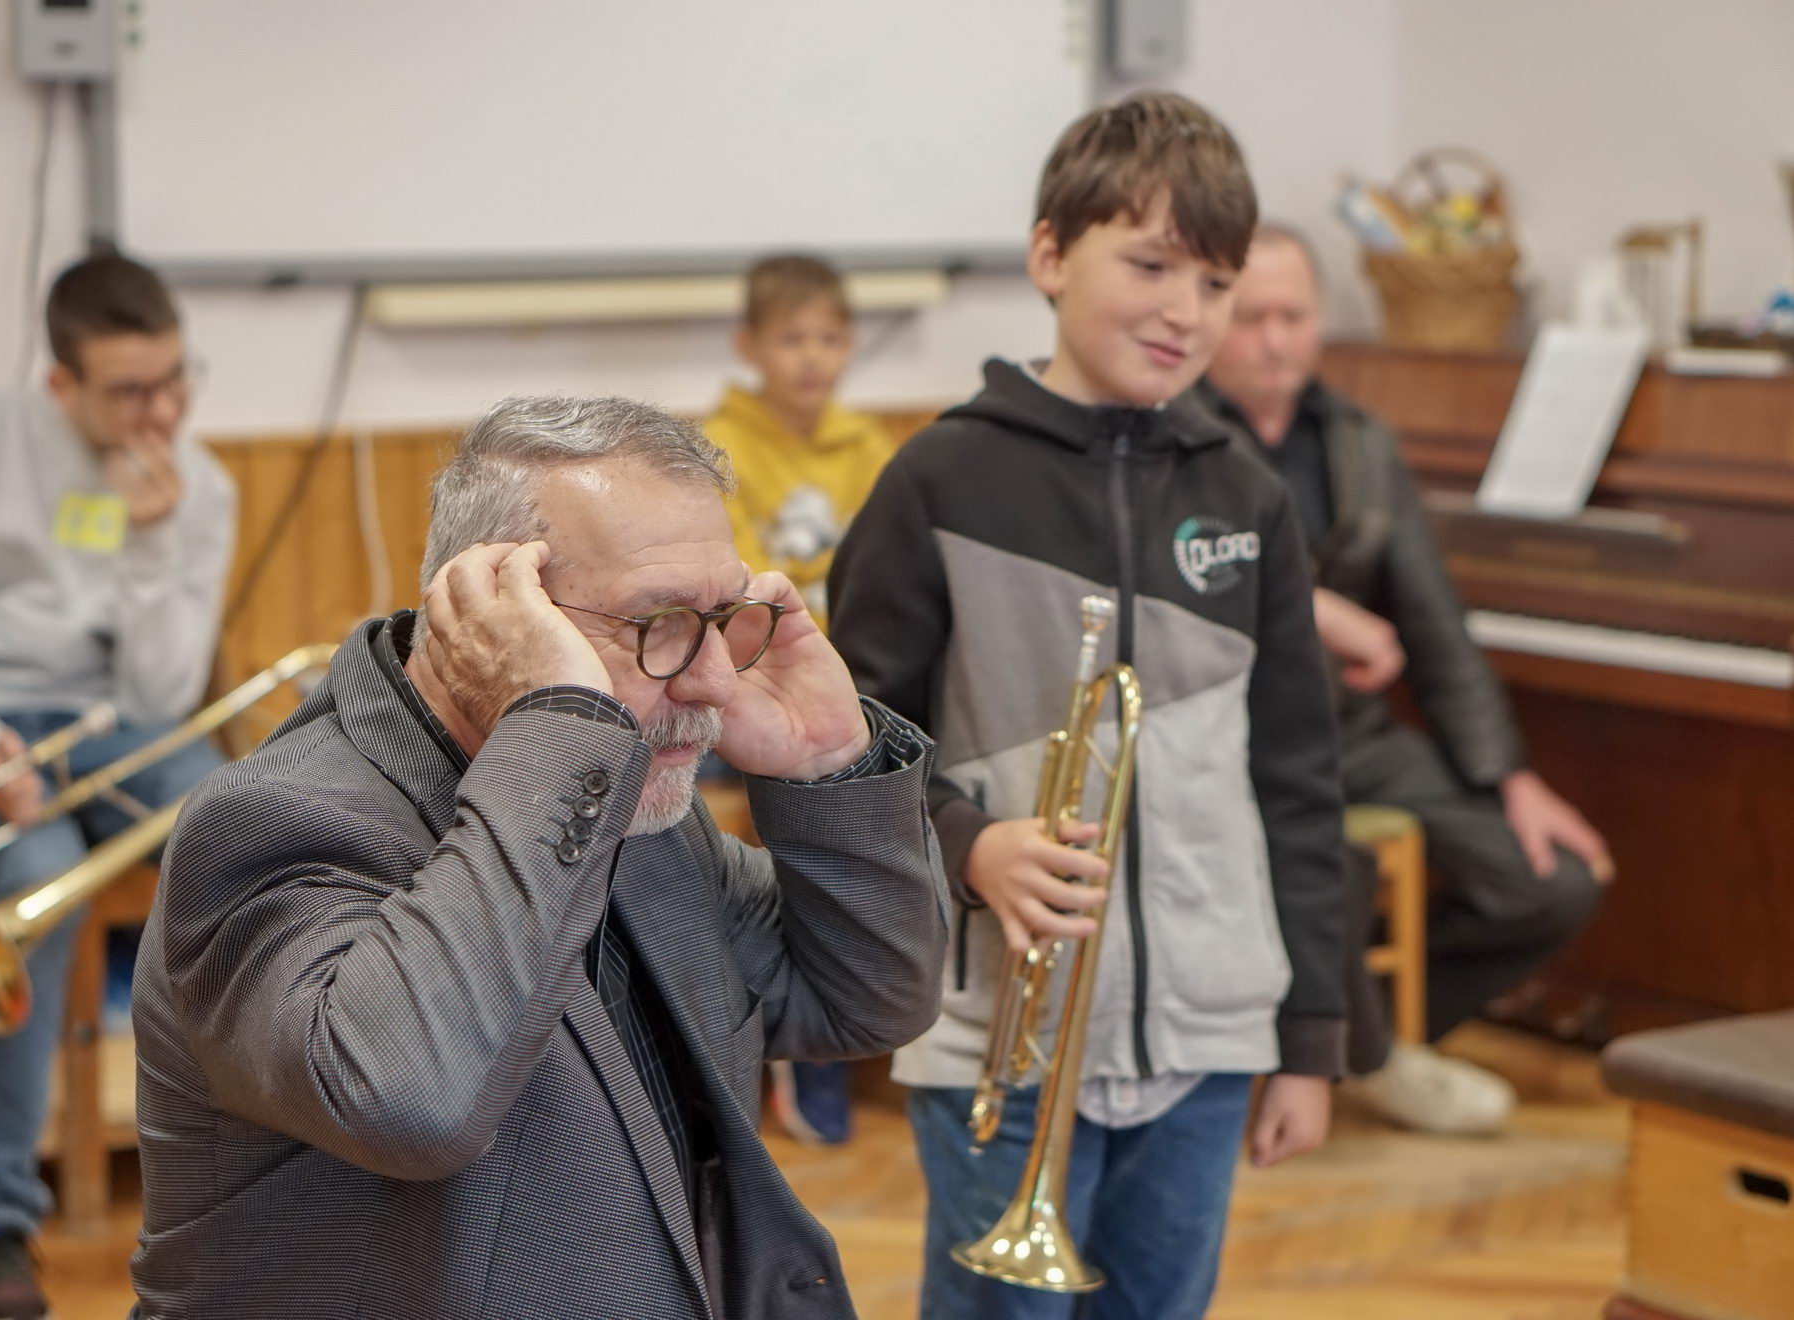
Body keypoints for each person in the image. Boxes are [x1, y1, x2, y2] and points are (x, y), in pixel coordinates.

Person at [126, 395, 948, 1319]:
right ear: (489, 611)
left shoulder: (633, 801)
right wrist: (558, 731)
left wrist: (830, 764)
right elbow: (411, 1102)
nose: (715, 680)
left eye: (722, 618)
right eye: (658, 622)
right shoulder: (273, 822)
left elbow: (865, 998)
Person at [829, 92, 1347, 1320]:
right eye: (1151, 265)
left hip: (1209, 1033)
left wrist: (1311, 1038)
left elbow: (1299, 778)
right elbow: (838, 751)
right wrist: (970, 846)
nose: (1186, 311)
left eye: (1215, 283)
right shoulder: (940, 481)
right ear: (1051, 254)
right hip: (999, 1032)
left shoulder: (1247, 497)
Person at [1194, 224, 1610, 1134]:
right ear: (1210, 318)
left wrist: (1511, 777)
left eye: (1293, 316)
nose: (1274, 340)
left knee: (1553, 881)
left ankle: (1374, 1041)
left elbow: (1434, 624)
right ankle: (1358, 1049)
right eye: (1251, 317)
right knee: (1328, 866)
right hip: (1231, 746)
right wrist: (1310, 606)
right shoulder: (1174, 439)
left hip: (1354, 736)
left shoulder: (1359, 440)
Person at [0, 251, 234, 1320]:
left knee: (245, 844)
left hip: (120, 722)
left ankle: (254, 1187)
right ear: (60, 385)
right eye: (129, 391)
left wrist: (154, 541)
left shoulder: (200, 485)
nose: (160, 412)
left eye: (174, 380)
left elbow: (163, 694)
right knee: (39, 887)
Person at [703, 254, 900, 1146]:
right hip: (743, 688)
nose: (812, 357)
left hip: (851, 680)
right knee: (799, 789)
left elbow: (891, 581)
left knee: (890, 776)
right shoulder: (718, 448)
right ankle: (799, 1034)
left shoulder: (871, 449)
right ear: (750, 346)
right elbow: (736, 597)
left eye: (829, 338)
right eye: (791, 339)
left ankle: (862, 1012)